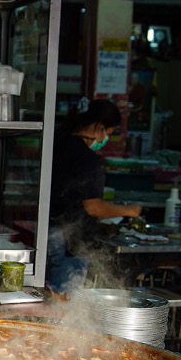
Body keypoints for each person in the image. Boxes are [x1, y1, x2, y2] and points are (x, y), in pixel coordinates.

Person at [46, 98, 142, 292]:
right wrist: (131, 211)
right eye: (108, 133)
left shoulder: (56, 145)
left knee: (49, 294)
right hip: (69, 241)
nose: (105, 139)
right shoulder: (86, 158)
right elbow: (94, 207)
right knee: (65, 301)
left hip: (48, 233)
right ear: (99, 127)